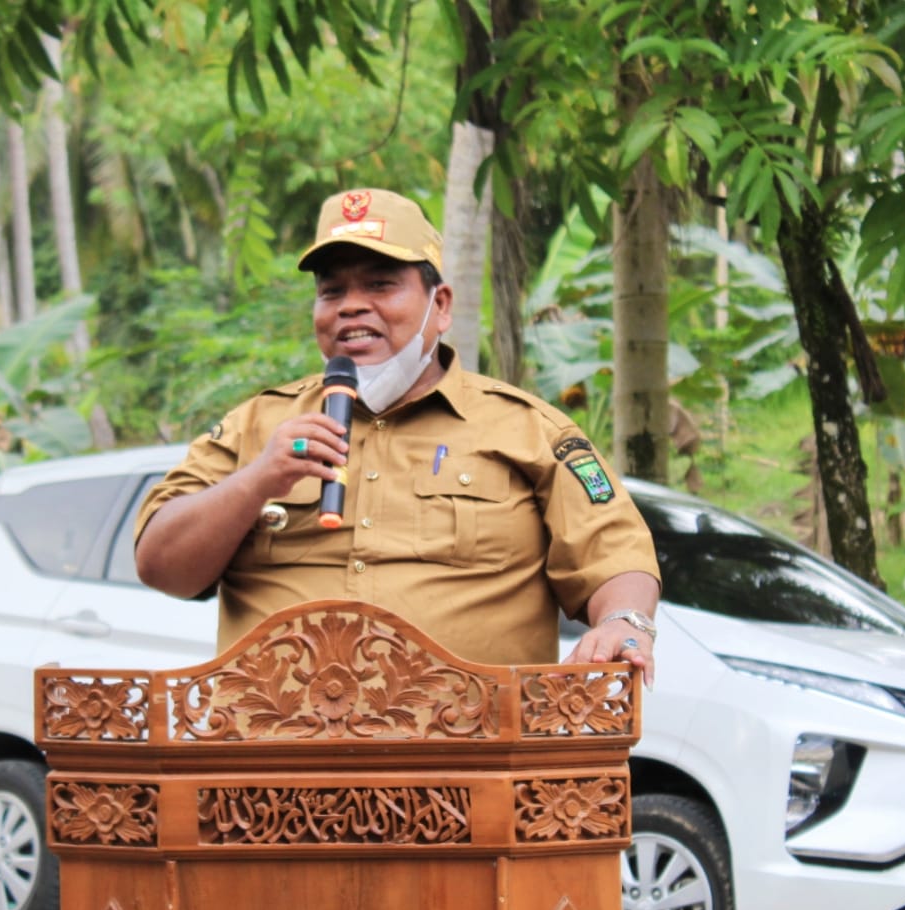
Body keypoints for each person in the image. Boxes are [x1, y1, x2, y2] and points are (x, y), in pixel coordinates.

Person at [133, 187, 661, 682]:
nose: (351, 306)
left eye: (381, 284)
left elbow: (615, 554)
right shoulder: (256, 427)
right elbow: (162, 567)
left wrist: (625, 621)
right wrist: (258, 480)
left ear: (442, 306)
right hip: (274, 764)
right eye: (331, 291)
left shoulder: (528, 430)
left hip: (470, 764)